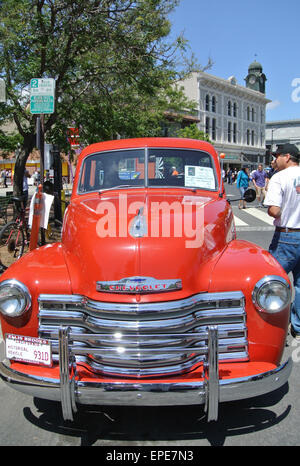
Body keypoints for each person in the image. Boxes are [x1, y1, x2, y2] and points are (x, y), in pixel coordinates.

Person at [264, 143, 300, 340]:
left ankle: (270, 323)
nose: (274, 159)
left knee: (271, 279)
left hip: (287, 236)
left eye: (276, 156)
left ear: (287, 157)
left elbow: (275, 210)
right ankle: (298, 326)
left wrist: (270, 208)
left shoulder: (279, 178)